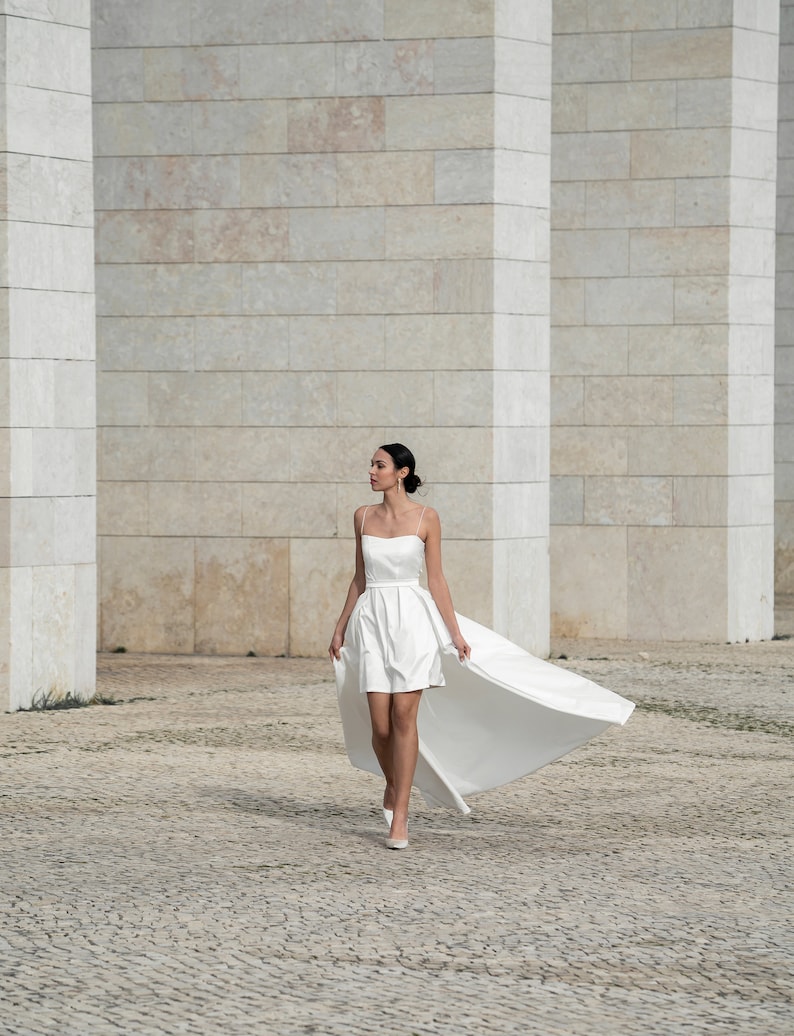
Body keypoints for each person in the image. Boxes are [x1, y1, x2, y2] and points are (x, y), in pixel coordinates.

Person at [330, 443, 634, 851]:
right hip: (372, 622)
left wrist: (455, 634)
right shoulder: (362, 516)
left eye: (379, 465)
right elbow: (359, 577)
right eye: (371, 464)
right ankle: (393, 782)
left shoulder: (426, 518)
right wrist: (340, 625)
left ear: (401, 473)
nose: (371, 470)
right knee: (379, 726)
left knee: (404, 718)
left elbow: (436, 580)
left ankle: (400, 814)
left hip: (412, 625)